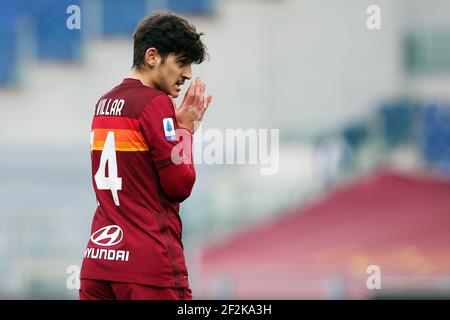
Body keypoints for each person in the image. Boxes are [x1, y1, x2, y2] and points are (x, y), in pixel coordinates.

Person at [79, 12, 212, 300]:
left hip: (98, 265)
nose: (187, 74)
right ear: (153, 57)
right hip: (147, 268)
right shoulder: (155, 103)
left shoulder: (104, 103)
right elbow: (180, 184)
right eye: (181, 62)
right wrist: (185, 131)